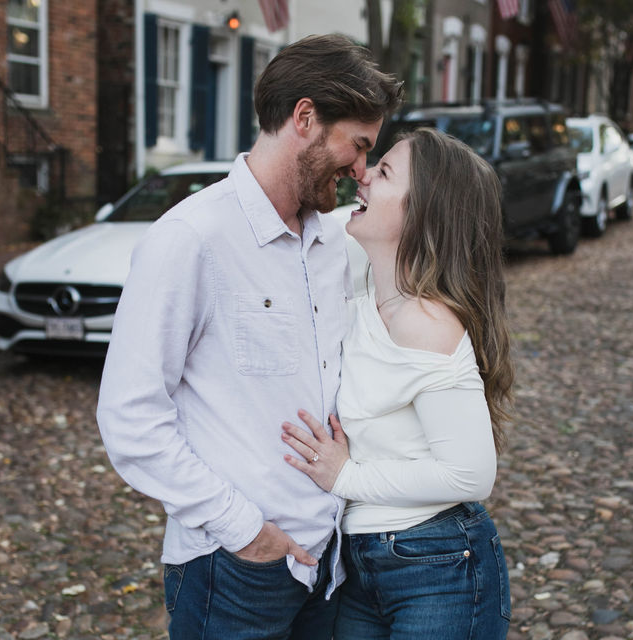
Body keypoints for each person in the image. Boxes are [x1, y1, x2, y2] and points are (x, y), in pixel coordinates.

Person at [95, 34, 402, 639]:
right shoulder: (190, 238)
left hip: (329, 569)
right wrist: (245, 532)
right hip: (234, 572)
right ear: (305, 118)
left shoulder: (335, 243)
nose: (361, 170)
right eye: (359, 145)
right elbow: (129, 416)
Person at [280, 127, 515, 639]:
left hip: (438, 565)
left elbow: (471, 476)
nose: (362, 176)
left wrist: (345, 477)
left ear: (422, 212)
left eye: (383, 172)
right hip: (363, 565)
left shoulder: (426, 324)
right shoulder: (367, 285)